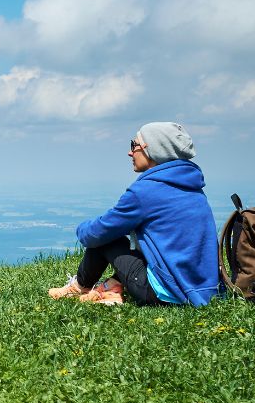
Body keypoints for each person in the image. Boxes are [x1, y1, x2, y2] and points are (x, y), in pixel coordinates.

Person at [48, 122, 218, 306]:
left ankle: (80, 286)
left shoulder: (145, 191)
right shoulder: (192, 187)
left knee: (106, 239)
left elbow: (97, 233)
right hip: (202, 289)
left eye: (134, 145)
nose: (130, 152)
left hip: (165, 292)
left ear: (154, 149)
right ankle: (112, 287)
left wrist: (81, 229)